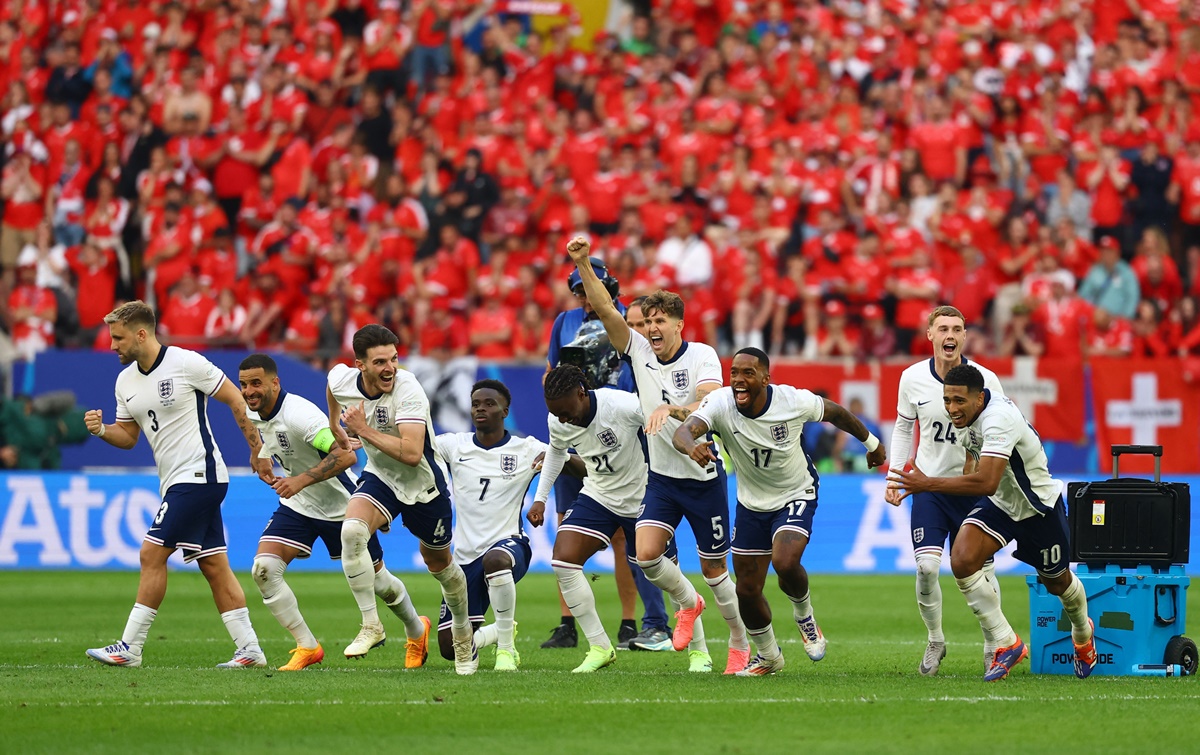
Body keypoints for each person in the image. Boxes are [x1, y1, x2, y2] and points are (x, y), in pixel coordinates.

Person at [568, 236, 750, 674]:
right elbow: (608, 310)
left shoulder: (703, 355)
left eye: (660, 320)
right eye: (647, 320)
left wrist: (672, 408)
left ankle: (740, 642)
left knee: (715, 572)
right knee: (646, 556)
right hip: (663, 479)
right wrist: (583, 263)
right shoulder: (638, 352)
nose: (651, 328)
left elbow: (709, 400)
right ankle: (688, 606)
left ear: (679, 324)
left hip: (704, 478)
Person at [674, 348, 887, 676]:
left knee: (785, 562)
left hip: (795, 493)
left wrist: (872, 444)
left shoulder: (792, 401)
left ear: (765, 378)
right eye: (734, 374)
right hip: (751, 502)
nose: (739, 381)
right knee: (746, 588)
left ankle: (805, 617)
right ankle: (769, 655)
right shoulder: (719, 403)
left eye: (748, 374)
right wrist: (692, 446)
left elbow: (835, 413)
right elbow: (683, 432)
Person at [83, 300, 272, 668]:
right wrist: (104, 430)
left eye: (118, 338)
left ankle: (130, 647)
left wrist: (257, 449)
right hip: (176, 481)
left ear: (141, 334)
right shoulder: (125, 381)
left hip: (200, 475)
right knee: (214, 564)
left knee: (151, 554)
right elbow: (129, 435)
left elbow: (236, 398)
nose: (112, 346)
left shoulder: (186, 363)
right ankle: (250, 650)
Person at [888, 364, 1097, 682]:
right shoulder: (965, 417)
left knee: (1057, 583)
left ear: (980, 398)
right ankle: (1007, 642)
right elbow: (975, 463)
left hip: (1037, 507)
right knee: (963, 559)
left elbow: (986, 481)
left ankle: (1083, 634)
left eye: (958, 401)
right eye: (947, 400)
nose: (951, 409)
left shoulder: (998, 417)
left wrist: (929, 483)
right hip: (1001, 504)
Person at [238, 354, 431, 672]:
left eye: (256, 383)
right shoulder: (255, 408)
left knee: (380, 583)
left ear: (275, 383)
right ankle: (307, 646)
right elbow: (261, 430)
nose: (248, 392)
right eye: (244, 385)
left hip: (342, 506)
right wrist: (259, 453)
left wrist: (299, 480)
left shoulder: (300, 416)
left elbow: (345, 457)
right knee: (263, 569)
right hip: (298, 506)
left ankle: (415, 628)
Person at [326, 324, 476, 674]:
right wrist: (337, 428)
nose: (390, 368)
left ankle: (462, 633)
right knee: (351, 532)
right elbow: (333, 387)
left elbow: (410, 453)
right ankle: (371, 625)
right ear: (360, 364)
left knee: (439, 565)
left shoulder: (408, 389)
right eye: (379, 361)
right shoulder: (345, 380)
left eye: (393, 358)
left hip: (424, 486)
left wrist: (361, 430)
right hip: (381, 477)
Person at [542, 258, 669, 653]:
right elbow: (551, 372)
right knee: (568, 526)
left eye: (588, 289)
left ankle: (632, 622)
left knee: (625, 535)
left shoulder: (626, 323)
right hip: (577, 423)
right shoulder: (563, 321)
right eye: (577, 291)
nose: (583, 298)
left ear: (608, 286)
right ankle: (568, 623)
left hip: (619, 423)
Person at [885, 305, 1007, 676]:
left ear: (964, 336)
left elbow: (1001, 430)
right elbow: (905, 428)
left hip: (973, 489)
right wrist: (894, 475)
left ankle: (993, 643)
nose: (950, 335)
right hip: (929, 486)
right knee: (925, 567)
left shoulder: (986, 379)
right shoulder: (912, 378)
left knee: (981, 574)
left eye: (957, 328)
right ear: (930, 335)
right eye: (943, 328)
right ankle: (936, 639)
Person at [432, 379, 585, 671]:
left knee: (496, 559)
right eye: (476, 403)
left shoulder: (526, 448)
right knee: (450, 649)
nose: (481, 409)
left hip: (509, 545)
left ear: (505, 411)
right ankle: (501, 630)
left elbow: (582, 469)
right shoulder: (453, 445)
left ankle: (505, 649)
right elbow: (416, 450)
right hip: (463, 559)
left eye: (489, 404)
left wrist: (559, 456)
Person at [533, 365, 677, 672]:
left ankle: (699, 650)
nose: (561, 419)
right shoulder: (557, 419)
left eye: (565, 411)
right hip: (598, 494)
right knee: (563, 560)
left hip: (642, 497)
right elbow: (556, 452)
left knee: (664, 574)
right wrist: (540, 499)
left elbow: (662, 422)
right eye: (554, 413)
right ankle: (600, 646)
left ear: (581, 393)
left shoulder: (621, 405)